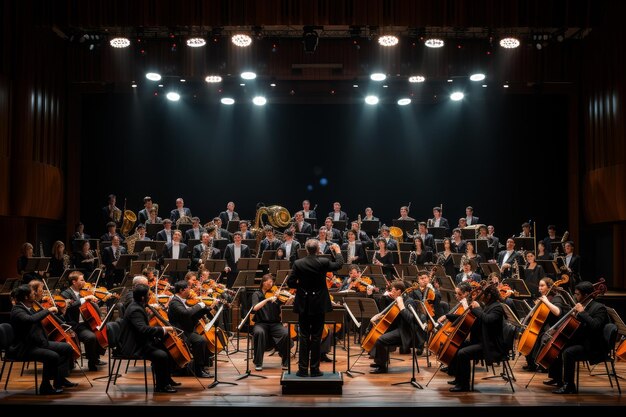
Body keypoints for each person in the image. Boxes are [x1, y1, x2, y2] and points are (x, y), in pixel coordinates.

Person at [287, 239, 344, 377]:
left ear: (306, 250)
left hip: (304, 303)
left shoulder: (298, 263)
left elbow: (290, 282)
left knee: (304, 336)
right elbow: (339, 264)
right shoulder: (323, 262)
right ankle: (314, 369)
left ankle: (302, 370)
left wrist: (302, 286)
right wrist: (338, 251)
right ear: (318, 249)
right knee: (317, 337)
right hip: (319, 304)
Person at [9, 284, 77, 394]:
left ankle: (59, 379)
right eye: (32, 293)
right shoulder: (17, 310)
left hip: (38, 343)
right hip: (25, 347)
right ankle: (45, 387)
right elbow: (30, 320)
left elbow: (37, 318)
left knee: (67, 348)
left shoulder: (29, 307)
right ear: (26, 297)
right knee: (52, 356)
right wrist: (47, 310)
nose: (34, 294)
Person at [549, 281, 609, 394]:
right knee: (558, 345)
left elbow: (595, 326)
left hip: (593, 345)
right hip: (583, 341)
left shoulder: (599, 308)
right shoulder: (583, 306)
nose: (575, 297)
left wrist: (582, 312)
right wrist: (557, 330)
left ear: (585, 295)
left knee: (568, 352)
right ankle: (558, 379)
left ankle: (569, 386)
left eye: (577, 294)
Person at [119, 284, 180, 393]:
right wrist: (163, 329)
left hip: (140, 340)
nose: (150, 297)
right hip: (135, 345)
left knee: (167, 348)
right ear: (143, 297)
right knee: (161, 355)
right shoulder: (135, 310)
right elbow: (143, 330)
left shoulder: (138, 305)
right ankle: (161, 386)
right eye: (148, 295)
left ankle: (166, 379)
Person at [448, 283, 506, 392]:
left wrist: (477, 309)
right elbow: (480, 320)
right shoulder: (489, 306)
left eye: (483, 295)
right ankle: (459, 379)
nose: (481, 296)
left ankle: (464, 385)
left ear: (489, 296)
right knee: (458, 345)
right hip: (483, 341)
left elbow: (488, 320)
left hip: (491, 345)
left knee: (463, 353)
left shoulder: (497, 307)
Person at [368, 280, 427, 374]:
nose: (391, 292)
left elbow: (410, 319)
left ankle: (382, 367)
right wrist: (379, 316)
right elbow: (392, 315)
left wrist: (402, 306)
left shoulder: (409, 301)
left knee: (381, 339)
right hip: (400, 328)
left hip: (407, 332)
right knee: (378, 332)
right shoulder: (398, 299)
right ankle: (380, 361)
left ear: (399, 291)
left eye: (393, 290)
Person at [167, 280, 214, 378]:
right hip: (181, 332)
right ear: (182, 290)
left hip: (187, 329)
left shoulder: (182, 301)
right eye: (188, 289)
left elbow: (192, 315)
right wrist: (199, 305)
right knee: (200, 341)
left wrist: (206, 309)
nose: (190, 291)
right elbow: (186, 313)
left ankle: (201, 367)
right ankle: (198, 370)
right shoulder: (174, 302)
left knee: (202, 339)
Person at [61, 271, 105, 371]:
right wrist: (84, 299)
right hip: (74, 325)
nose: (85, 282)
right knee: (90, 337)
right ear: (74, 282)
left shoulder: (83, 292)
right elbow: (69, 307)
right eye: (82, 280)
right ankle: (91, 362)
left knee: (103, 330)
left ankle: (95, 358)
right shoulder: (65, 294)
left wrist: (99, 300)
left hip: (86, 323)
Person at [521, 277, 565, 373]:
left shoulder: (556, 297)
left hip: (553, 327)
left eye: (542, 286)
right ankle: (531, 363)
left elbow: (557, 312)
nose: (539, 288)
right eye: (539, 286)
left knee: (538, 337)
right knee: (525, 333)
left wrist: (546, 302)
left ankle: (539, 363)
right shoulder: (544, 297)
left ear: (549, 287)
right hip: (544, 325)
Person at [250, 274, 291, 371]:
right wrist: (267, 299)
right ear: (264, 283)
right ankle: (258, 362)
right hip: (261, 323)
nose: (272, 284)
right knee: (259, 332)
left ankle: (285, 362)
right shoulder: (257, 294)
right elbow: (255, 308)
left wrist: (290, 299)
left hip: (275, 323)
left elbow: (284, 306)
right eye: (269, 282)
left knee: (285, 334)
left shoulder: (276, 295)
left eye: (272, 282)